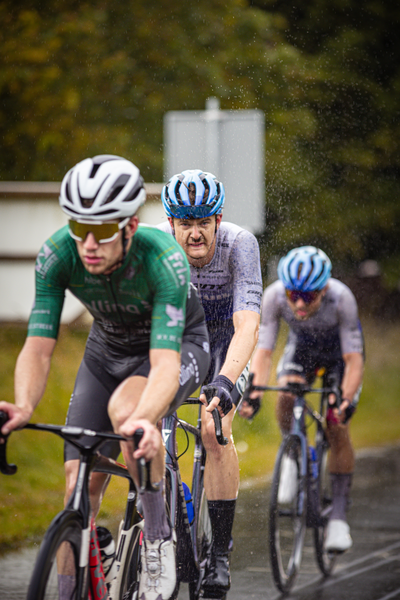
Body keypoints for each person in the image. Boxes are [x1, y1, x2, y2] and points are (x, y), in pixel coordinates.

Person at [0, 155, 211, 600]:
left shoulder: (164, 261)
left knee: (126, 414)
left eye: (103, 230)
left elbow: (165, 363)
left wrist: (145, 420)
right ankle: (67, 591)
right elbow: (38, 346)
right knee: (78, 485)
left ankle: (157, 539)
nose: (89, 243)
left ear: (131, 226)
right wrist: (23, 406)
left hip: (176, 346)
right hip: (107, 351)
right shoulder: (57, 255)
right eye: (79, 228)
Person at [159, 169, 262, 599]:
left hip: (228, 343)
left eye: (204, 222)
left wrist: (223, 380)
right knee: (152, 424)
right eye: (186, 223)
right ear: (171, 224)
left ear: (218, 220)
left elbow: (248, 323)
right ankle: (172, 513)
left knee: (212, 427)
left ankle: (219, 553)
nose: (196, 233)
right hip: (183, 339)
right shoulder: (159, 247)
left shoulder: (240, 245)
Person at [248, 246, 364, 552]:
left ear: (324, 289)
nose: (298, 303)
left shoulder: (342, 299)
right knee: (285, 392)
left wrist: (346, 400)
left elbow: (354, 360)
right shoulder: (273, 296)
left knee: (336, 424)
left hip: (339, 357)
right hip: (302, 350)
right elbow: (264, 350)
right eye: (293, 294)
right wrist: (255, 391)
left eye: (309, 296)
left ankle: (338, 516)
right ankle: (292, 453)